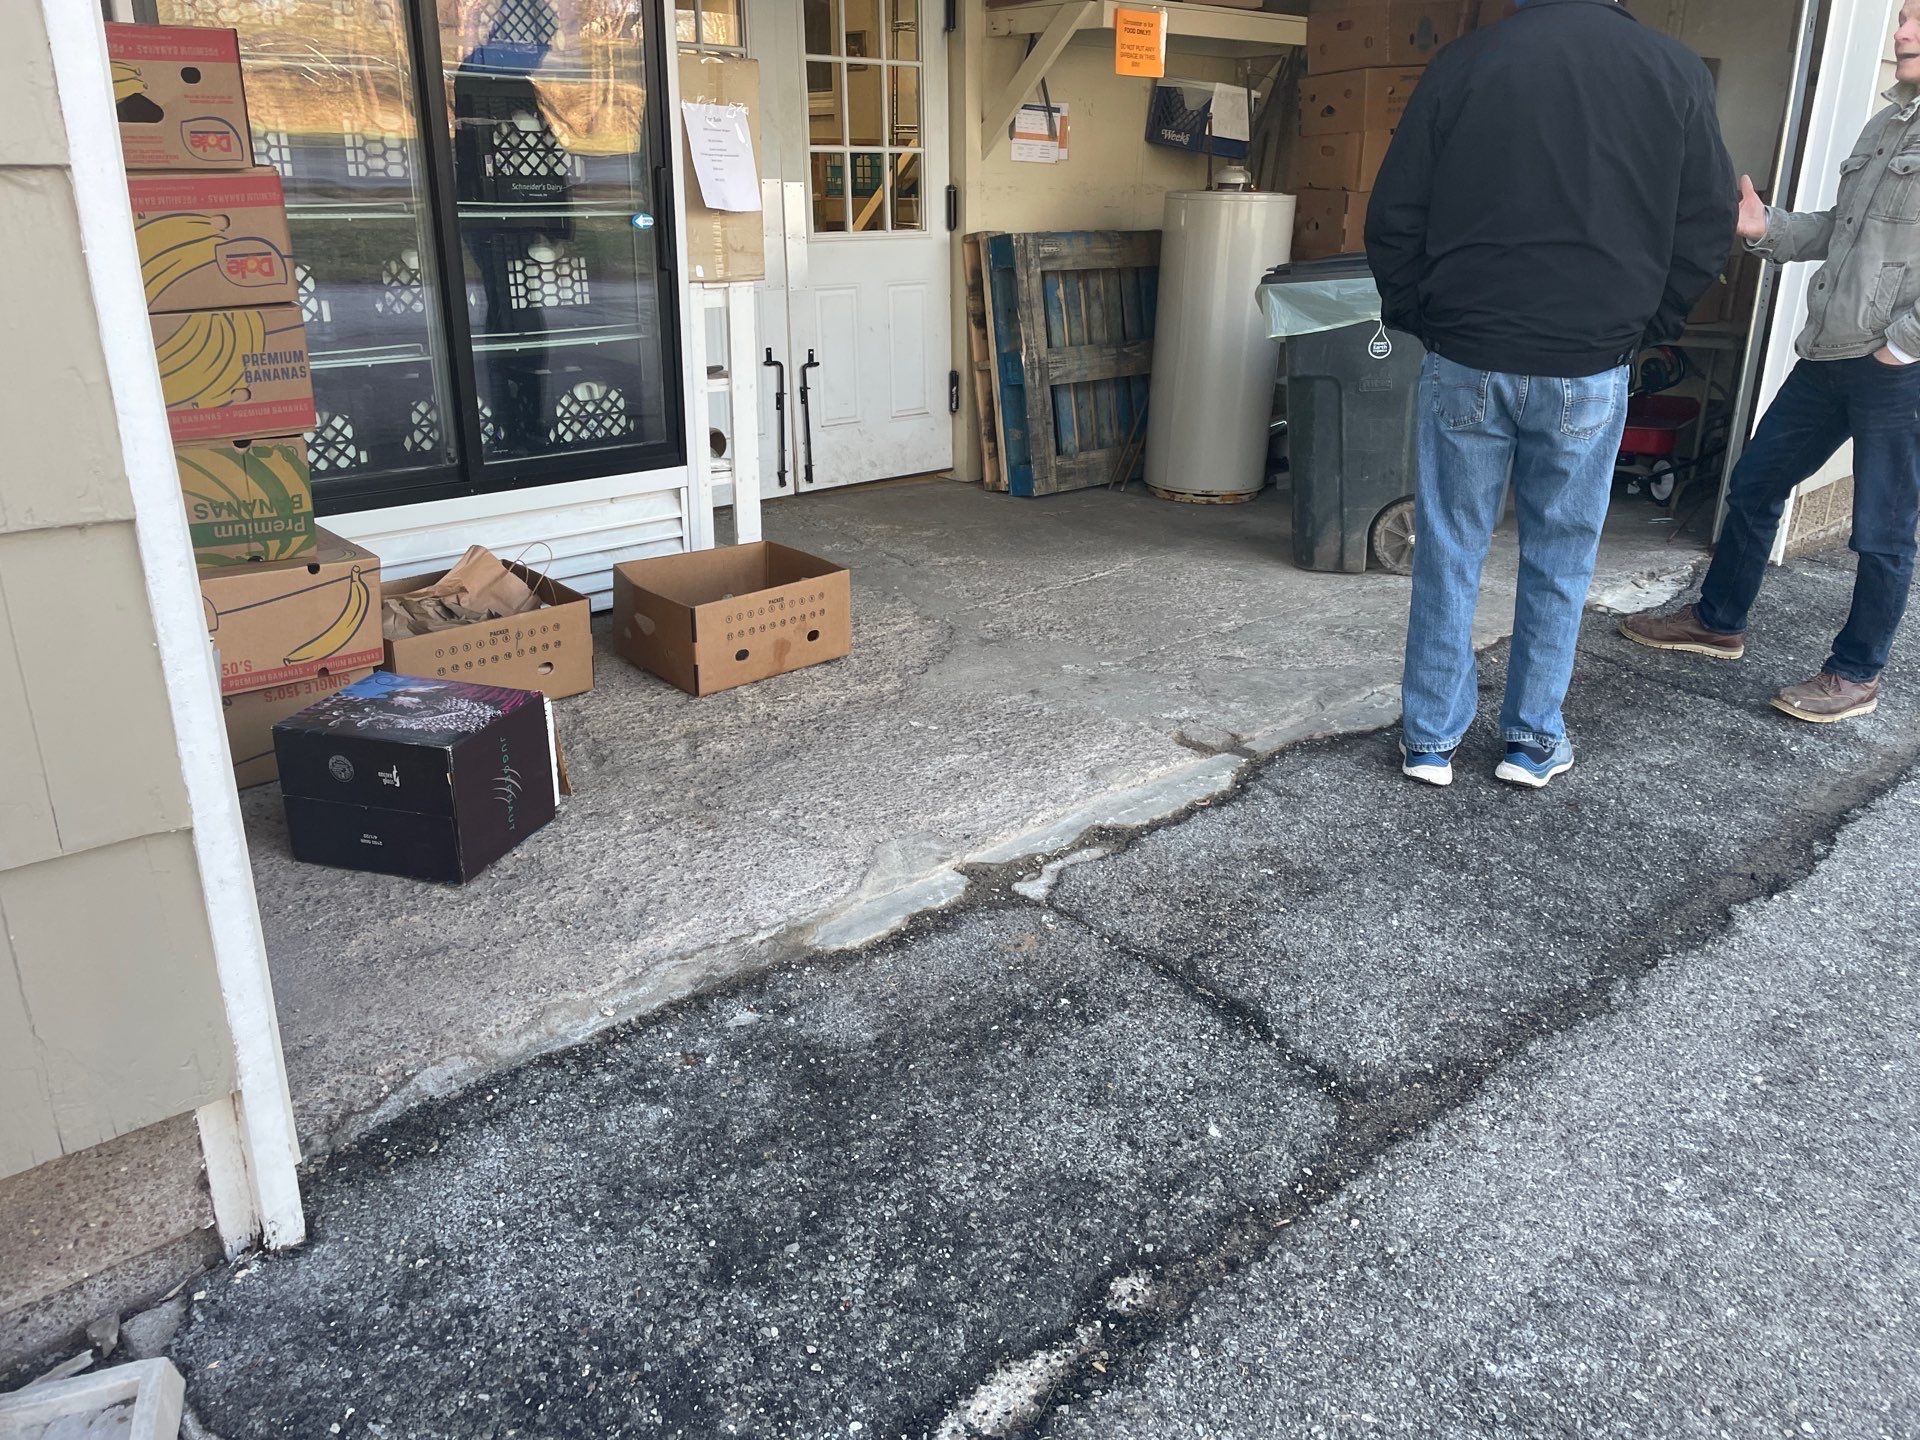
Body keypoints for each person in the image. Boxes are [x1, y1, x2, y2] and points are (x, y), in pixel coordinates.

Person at [1366, 0, 1735, 788]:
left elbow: (1395, 213)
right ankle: (1532, 740)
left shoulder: (1466, 62)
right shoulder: (1673, 71)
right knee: (1560, 556)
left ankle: (1430, 739)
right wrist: (1645, 328)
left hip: (1469, 349)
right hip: (1588, 357)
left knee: (1451, 546)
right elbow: (1707, 225)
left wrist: (1420, 318)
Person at [1623, 2, 1920, 724]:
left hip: (1897, 368)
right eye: (1901, 18)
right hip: (1828, 352)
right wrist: (1766, 228)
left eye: (1916, 20)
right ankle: (1718, 619)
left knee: (1882, 529)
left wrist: (1903, 344)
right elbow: (1836, 230)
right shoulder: (1888, 124)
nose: (1901, 31)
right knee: (1754, 483)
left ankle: (1856, 673)